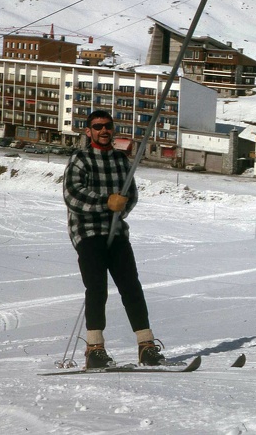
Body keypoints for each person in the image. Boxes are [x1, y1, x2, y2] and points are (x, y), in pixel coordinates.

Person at [63, 109, 165, 369]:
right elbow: (73, 195)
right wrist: (106, 203)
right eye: (97, 127)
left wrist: (122, 207)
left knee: (131, 286)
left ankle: (146, 346)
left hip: (116, 231)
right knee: (96, 288)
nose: (103, 130)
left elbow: (130, 193)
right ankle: (94, 349)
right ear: (89, 132)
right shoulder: (80, 159)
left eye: (107, 126)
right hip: (87, 232)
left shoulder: (121, 160)